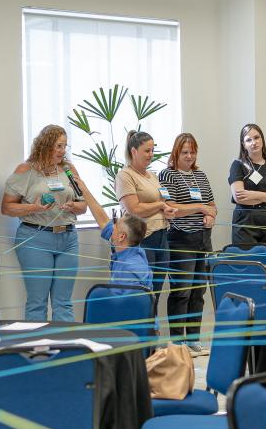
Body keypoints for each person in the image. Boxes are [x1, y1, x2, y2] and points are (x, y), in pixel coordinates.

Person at [2, 125, 87, 322]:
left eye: (65, 146)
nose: (62, 151)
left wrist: (73, 206)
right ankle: (37, 342)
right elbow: (6, 208)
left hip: (68, 239)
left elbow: (83, 206)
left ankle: (65, 342)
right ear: (45, 145)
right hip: (35, 239)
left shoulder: (68, 169)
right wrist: (35, 207)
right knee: (37, 302)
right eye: (58, 146)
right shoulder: (26, 170)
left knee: (64, 302)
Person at [158, 133, 216, 353]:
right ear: (176, 152)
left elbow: (212, 205)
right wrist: (200, 208)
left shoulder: (200, 175)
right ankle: (177, 341)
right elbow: (172, 208)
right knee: (181, 291)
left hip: (203, 239)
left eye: (192, 152)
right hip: (181, 240)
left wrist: (210, 216)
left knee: (198, 292)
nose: (189, 156)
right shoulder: (167, 175)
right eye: (185, 152)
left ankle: (193, 338)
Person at [116, 130, 177, 307]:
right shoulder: (125, 176)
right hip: (143, 239)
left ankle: (153, 324)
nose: (151, 155)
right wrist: (160, 205)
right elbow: (134, 209)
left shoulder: (153, 176)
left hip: (162, 238)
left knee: (156, 294)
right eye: (147, 151)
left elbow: (164, 201)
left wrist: (167, 210)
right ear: (134, 151)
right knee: (143, 293)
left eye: (152, 151)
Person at [79, 177, 152, 290]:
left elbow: (126, 300)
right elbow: (103, 220)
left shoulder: (128, 270)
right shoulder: (132, 249)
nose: (111, 226)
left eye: (115, 225)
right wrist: (84, 189)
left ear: (121, 236)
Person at [228, 123, 266, 249]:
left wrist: (254, 194)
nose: (254, 142)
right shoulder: (238, 165)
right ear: (243, 144)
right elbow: (239, 197)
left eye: (256, 137)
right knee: (248, 259)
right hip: (245, 220)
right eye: (248, 140)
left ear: (262, 140)